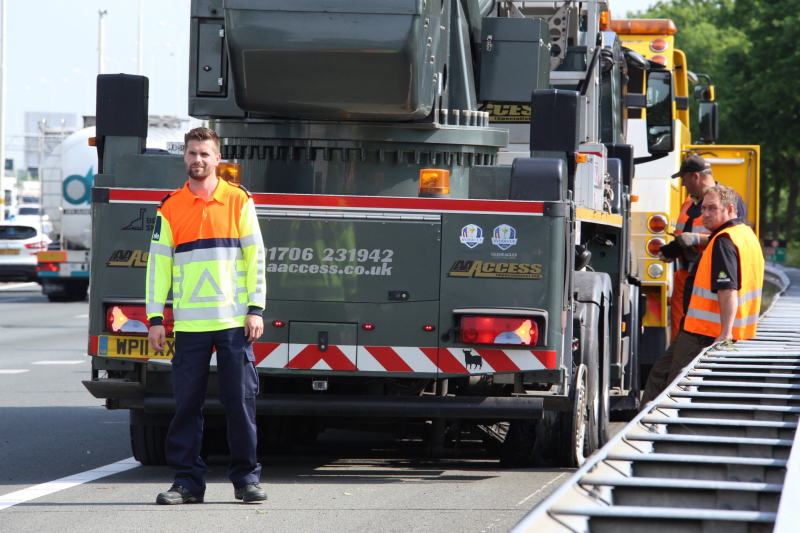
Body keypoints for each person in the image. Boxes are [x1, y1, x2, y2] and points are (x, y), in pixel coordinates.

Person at [145, 127, 267, 505]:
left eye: (205, 153)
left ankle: (246, 480)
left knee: (240, 404)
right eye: (192, 153)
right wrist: (154, 319)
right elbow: (157, 268)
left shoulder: (239, 200)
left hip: (233, 323)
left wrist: (255, 308)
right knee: (186, 407)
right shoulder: (170, 207)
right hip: (190, 325)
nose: (198, 159)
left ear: (218, 159)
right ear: (184, 157)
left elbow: (255, 258)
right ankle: (186, 483)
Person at [640, 184, 764, 408]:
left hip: (703, 334)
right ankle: (645, 427)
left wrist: (724, 334)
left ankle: (656, 435)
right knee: (660, 376)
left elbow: (728, 289)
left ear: (729, 209)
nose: (705, 214)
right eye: (704, 208)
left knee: (673, 390)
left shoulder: (723, 241)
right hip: (700, 330)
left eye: (712, 209)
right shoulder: (746, 235)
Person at [659, 155, 747, 341]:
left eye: (684, 179)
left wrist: (695, 239)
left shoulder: (732, 201)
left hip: (709, 279)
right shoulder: (689, 203)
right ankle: (678, 366)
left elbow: (733, 239)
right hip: (685, 277)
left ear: (695, 177)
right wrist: (674, 250)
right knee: (680, 333)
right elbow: (684, 234)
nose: (683, 184)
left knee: (702, 331)